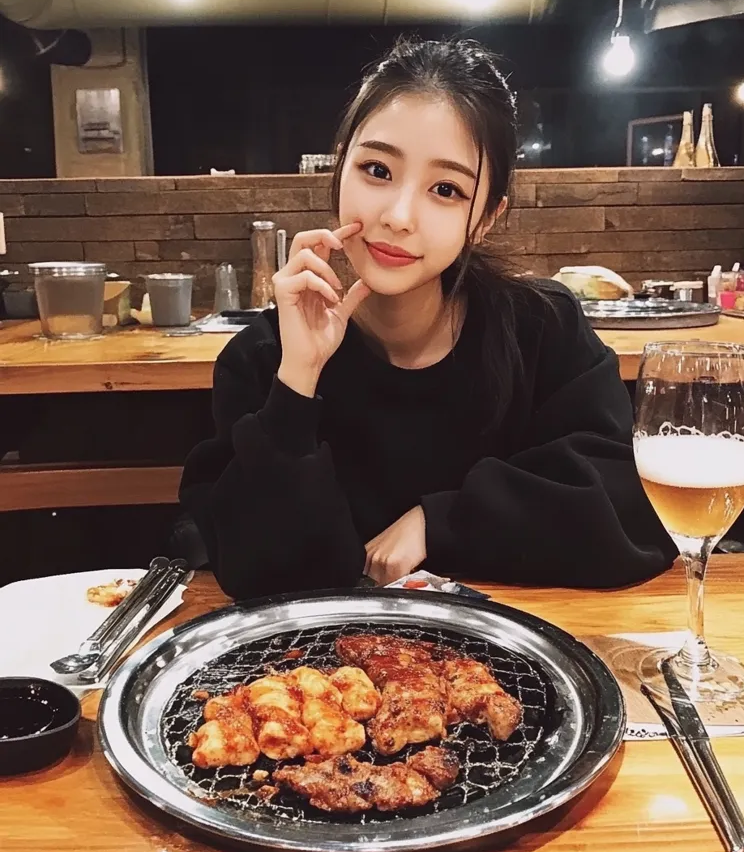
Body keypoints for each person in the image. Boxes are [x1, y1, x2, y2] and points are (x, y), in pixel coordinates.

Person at [180, 37, 675, 600]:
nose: (398, 216)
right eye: (376, 169)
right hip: (326, 674)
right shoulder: (264, 359)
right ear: (340, 168)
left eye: (445, 189)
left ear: (487, 217)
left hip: (506, 661)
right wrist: (297, 381)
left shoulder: (542, 330)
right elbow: (256, 577)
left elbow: (632, 505)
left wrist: (439, 522)